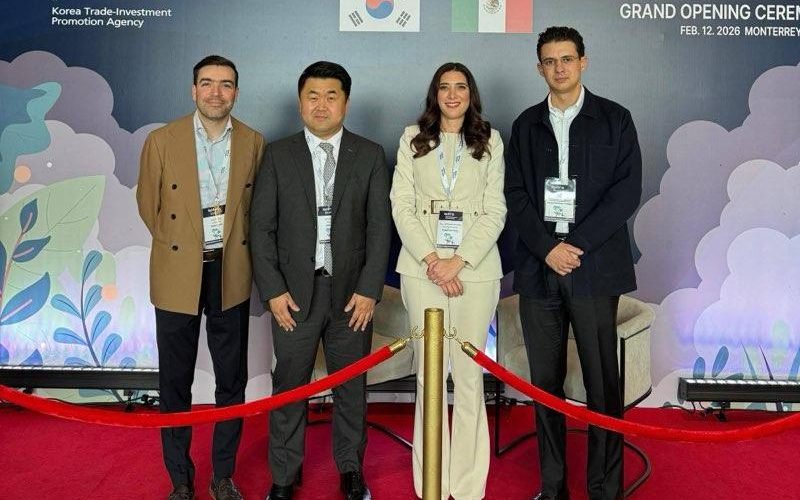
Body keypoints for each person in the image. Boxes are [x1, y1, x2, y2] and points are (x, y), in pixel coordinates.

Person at [504, 26, 643, 500]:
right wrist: (548, 248)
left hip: (595, 267)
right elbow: (515, 194)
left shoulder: (615, 119)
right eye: (550, 60)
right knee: (545, 384)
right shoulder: (526, 124)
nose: (559, 68)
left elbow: (626, 192)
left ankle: (604, 488)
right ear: (539, 68)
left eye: (567, 59)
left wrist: (575, 245)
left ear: (583, 61)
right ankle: (553, 486)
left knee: (602, 384)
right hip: (539, 268)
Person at [249, 61, 391, 500]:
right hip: (293, 295)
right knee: (289, 386)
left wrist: (369, 290)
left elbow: (379, 228)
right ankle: (284, 475)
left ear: (345, 102)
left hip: (351, 296)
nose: (322, 105)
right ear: (300, 102)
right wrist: (273, 291)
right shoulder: (278, 154)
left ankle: (350, 470)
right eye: (313, 96)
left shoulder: (368, 154)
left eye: (332, 96)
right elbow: (261, 229)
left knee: (351, 387)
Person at [137, 55, 265, 500]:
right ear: (193, 90)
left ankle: (222, 475)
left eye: (225, 84)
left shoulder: (253, 141)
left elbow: (256, 211)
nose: (215, 92)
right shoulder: (161, 140)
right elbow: (149, 206)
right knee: (175, 381)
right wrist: (183, 244)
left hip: (231, 268)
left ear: (236, 92)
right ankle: (180, 480)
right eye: (207, 83)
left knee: (231, 379)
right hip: (178, 269)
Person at [390, 62, 506, 500]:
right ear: (434, 94)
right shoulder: (412, 138)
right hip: (422, 269)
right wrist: (432, 260)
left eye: (460, 87)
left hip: (475, 269)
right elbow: (401, 204)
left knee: (471, 376)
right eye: (444, 87)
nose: (452, 95)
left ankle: (469, 484)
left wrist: (458, 261)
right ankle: (432, 483)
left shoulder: (490, 140)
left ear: (471, 94)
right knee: (430, 376)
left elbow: (495, 210)